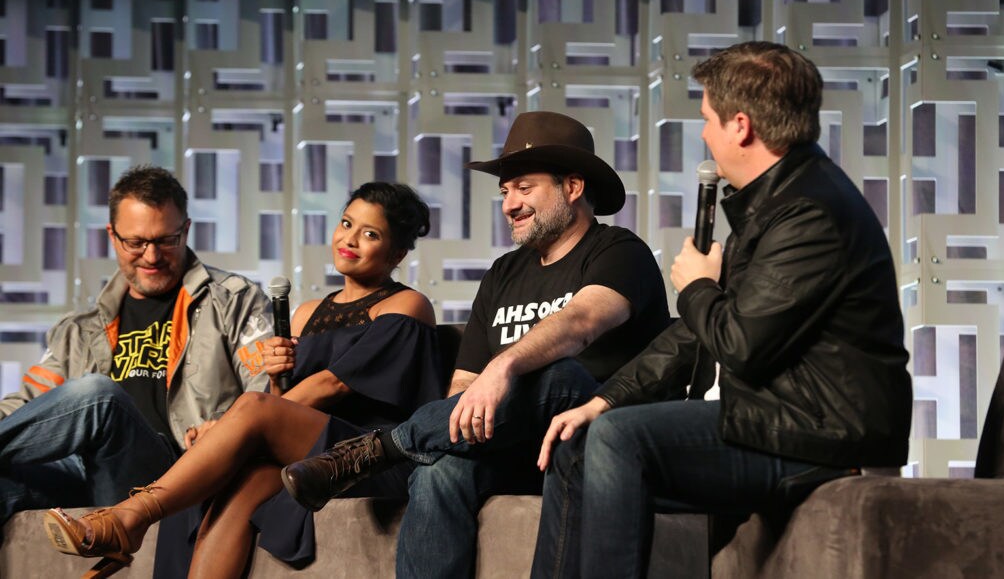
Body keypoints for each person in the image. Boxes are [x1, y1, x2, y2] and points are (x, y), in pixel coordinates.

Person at [529, 41, 914, 578]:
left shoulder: (809, 213)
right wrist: (606, 400)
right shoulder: (781, 204)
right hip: (783, 421)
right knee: (583, 436)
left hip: (824, 435)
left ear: (741, 125)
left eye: (707, 119)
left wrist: (695, 287)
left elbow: (740, 348)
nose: (704, 135)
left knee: (622, 438)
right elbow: (694, 335)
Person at [280, 111, 673, 578]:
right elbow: (464, 384)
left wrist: (505, 365)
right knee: (439, 471)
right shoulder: (503, 273)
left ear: (572, 187)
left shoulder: (619, 251)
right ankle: (395, 450)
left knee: (557, 374)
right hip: (515, 446)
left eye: (524, 188)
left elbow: (583, 321)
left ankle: (383, 448)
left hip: (595, 437)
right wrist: (457, 429)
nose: (509, 204)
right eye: (505, 192)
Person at [42, 181, 447, 578]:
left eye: (370, 233)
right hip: (303, 451)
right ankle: (130, 523)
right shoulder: (305, 312)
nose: (350, 239)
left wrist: (230, 422)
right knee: (229, 495)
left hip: (371, 454)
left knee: (245, 413)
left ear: (396, 252)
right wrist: (274, 378)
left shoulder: (407, 304)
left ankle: (128, 519)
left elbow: (332, 386)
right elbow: (283, 400)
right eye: (346, 223)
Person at [0, 164, 272, 528]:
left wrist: (224, 428)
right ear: (112, 236)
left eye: (165, 240)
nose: (151, 256)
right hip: (90, 480)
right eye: (136, 242)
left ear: (186, 230)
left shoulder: (235, 302)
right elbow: (29, 407)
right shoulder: (78, 332)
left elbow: (270, 394)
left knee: (100, 397)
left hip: (175, 477)